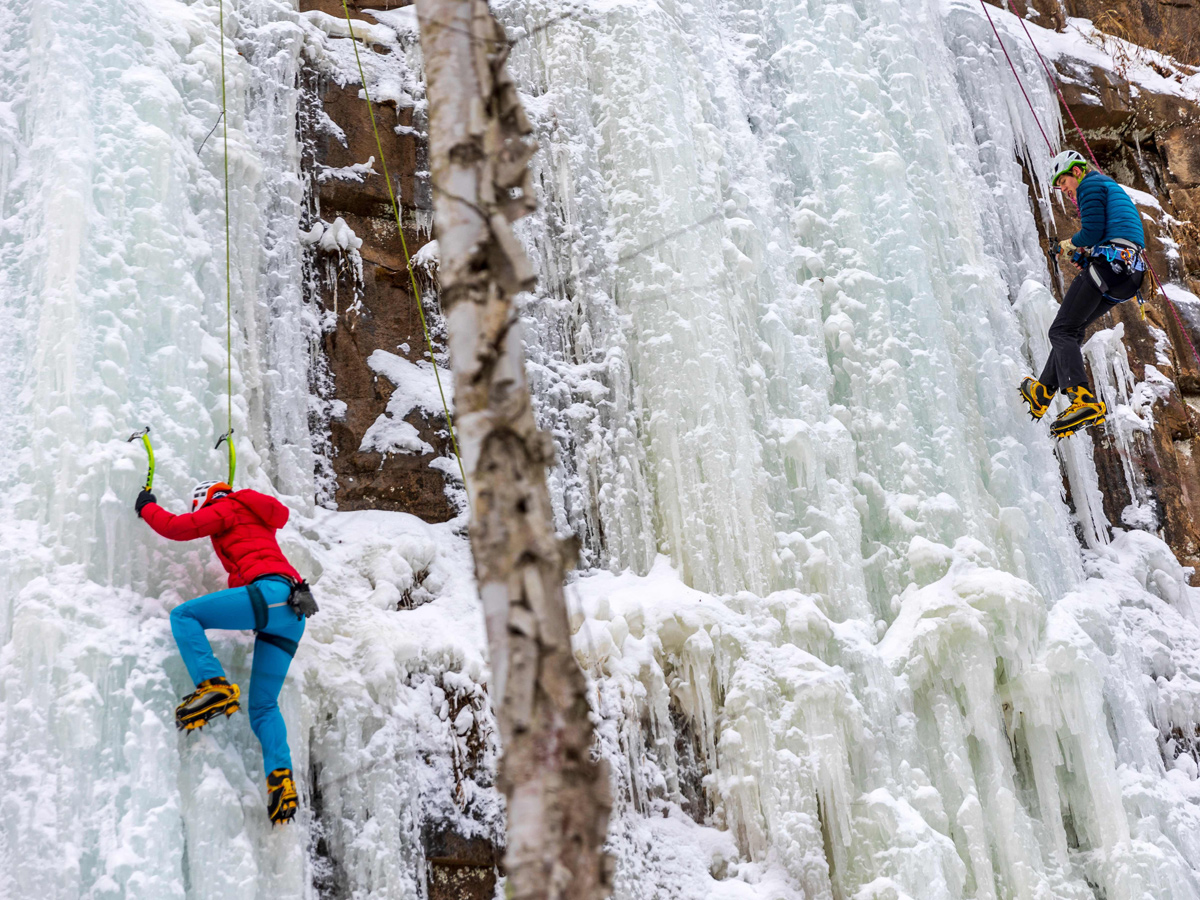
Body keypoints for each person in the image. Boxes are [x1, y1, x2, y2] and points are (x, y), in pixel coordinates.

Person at [135, 480, 318, 826]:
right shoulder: (258, 514)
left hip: (272, 595)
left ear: (205, 499)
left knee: (185, 615)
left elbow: (175, 528)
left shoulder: (227, 507)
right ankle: (281, 782)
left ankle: (213, 684)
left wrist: (146, 505)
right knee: (264, 706)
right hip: (295, 610)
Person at [1019, 150, 1147, 438]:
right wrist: (1086, 257)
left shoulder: (1090, 184)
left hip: (1113, 265)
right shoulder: (1107, 189)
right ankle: (1042, 391)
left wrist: (1069, 244)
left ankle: (1083, 399)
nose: (1062, 188)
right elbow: (1108, 235)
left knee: (1061, 330)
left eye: (1063, 180)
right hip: (1128, 276)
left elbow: (1091, 232)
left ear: (1076, 171)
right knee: (1072, 330)